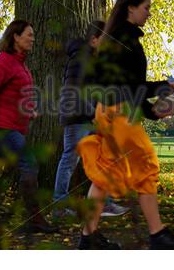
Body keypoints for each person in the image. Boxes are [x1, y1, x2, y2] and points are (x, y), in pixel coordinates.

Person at [76, 0, 174, 249]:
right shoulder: (124, 40)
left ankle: (88, 237)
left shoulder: (114, 38)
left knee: (104, 175)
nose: (149, 13)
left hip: (110, 111)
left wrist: (158, 101)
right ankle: (157, 234)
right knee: (148, 166)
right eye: (146, 7)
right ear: (131, 7)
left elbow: (129, 86)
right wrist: (159, 95)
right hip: (119, 114)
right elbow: (130, 88)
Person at [0, 20, 57, 233]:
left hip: (11, 126)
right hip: (5, 127)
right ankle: (34, 219)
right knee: (29, 164)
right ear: (16, 36)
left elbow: (16, 95)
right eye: (29, 35)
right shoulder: (5, 61)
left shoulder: (20, 64)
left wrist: (30, 110)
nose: (33, 39)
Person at [53, 21, 130, 218]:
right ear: (94, 39)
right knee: (70, 159)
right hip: (78, 117)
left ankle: (103, 203)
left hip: (89, 117)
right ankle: (59, 206)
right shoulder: (80, 59)